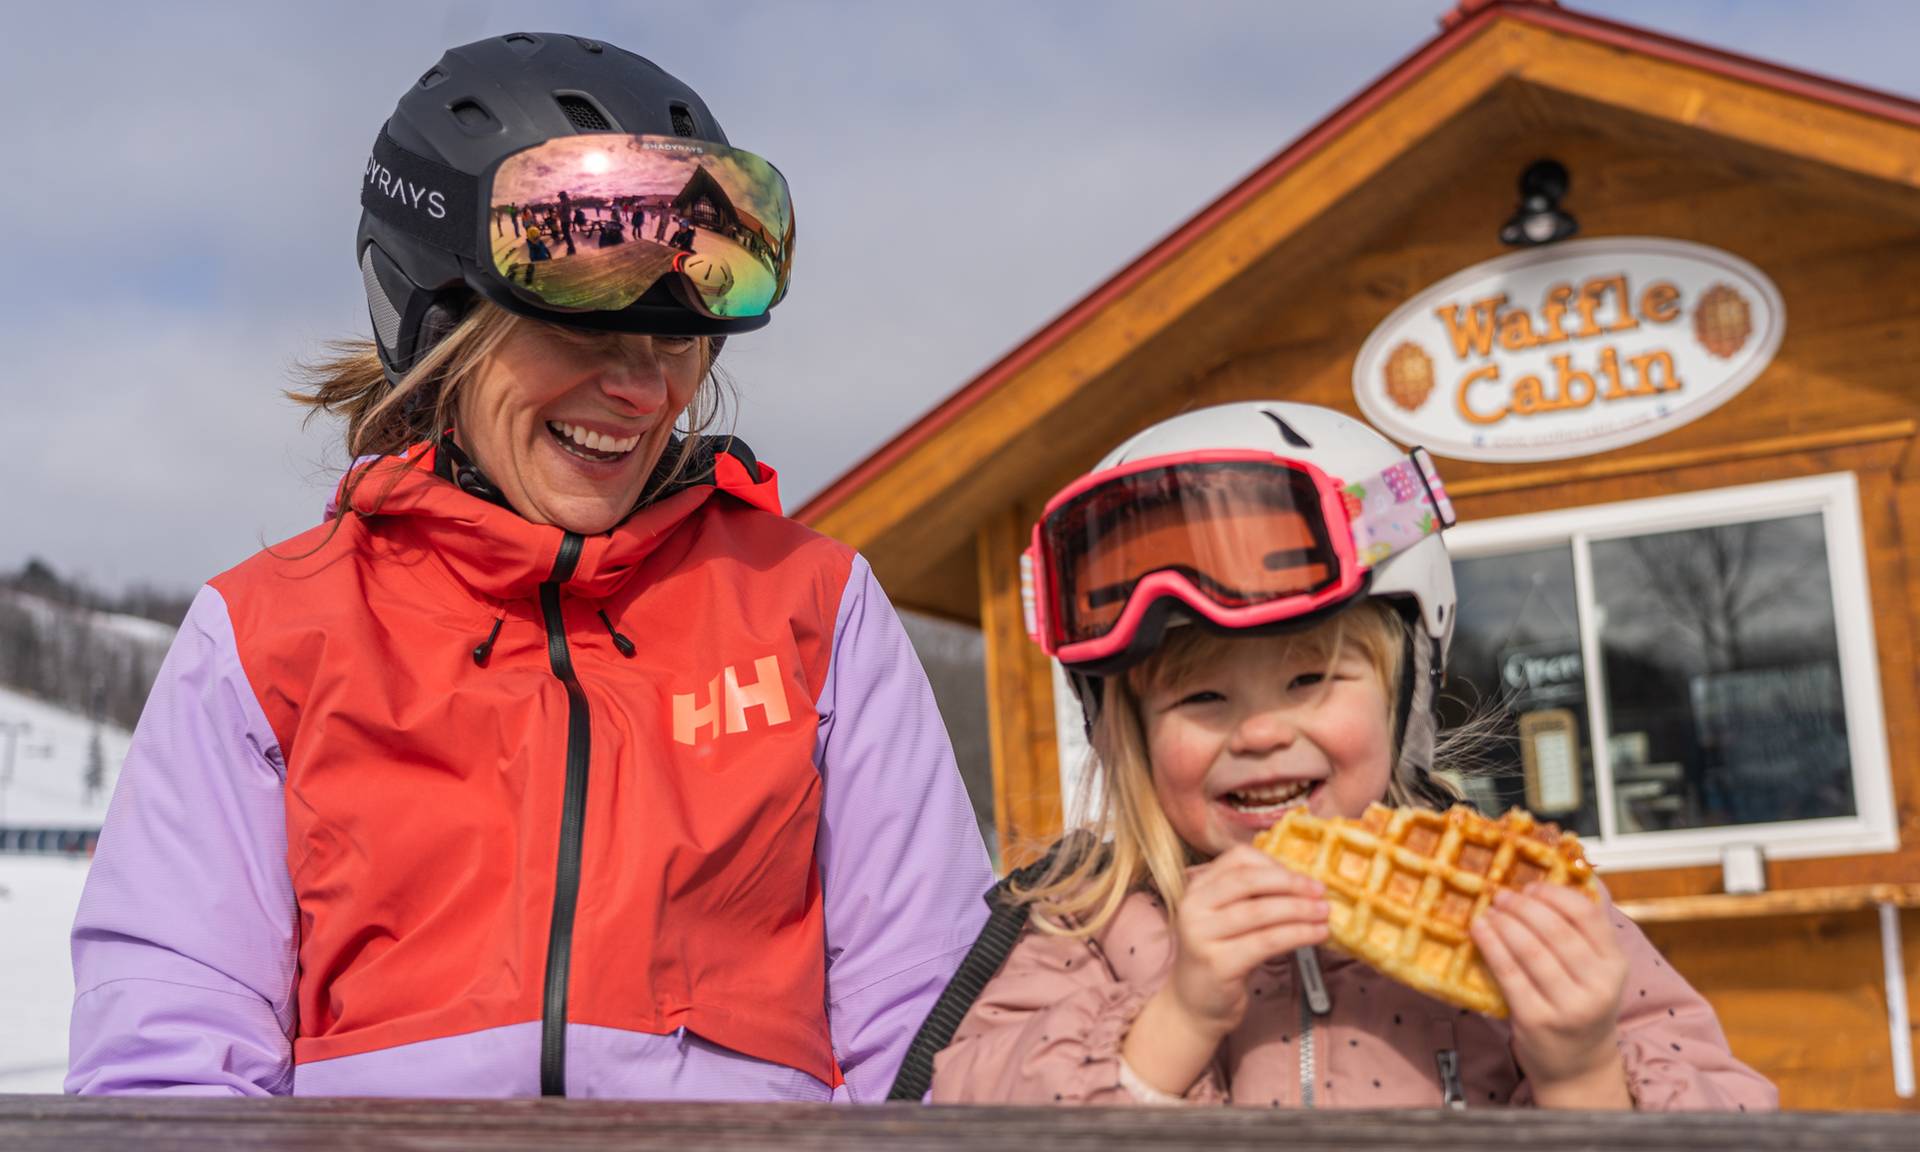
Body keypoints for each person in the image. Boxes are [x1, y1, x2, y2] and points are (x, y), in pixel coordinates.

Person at [68, 31, 992, 1101]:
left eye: (676, 340)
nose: (642, 391)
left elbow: (930, 1038)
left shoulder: (811, 612)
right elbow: (169, 1064)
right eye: (586, 331)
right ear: (437, 322)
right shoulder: (274, 635)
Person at [928, 402, 1774, 1111]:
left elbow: (1725, 1114)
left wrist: (1580, 1070)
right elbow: (972, 1118)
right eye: (1202, 698)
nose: (1260, 734)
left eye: (1309, 680)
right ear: (1124, 731)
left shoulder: (1533, 914)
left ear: (1407, 692)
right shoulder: (1079, 933)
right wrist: (1176, 1020)